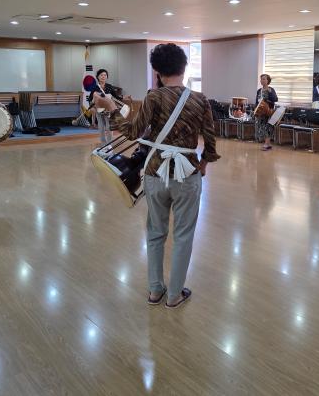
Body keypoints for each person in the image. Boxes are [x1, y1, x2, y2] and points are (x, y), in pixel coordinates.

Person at [98, 43, 220, 308]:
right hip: (187, 174)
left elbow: (132, 132)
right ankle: (175, 294)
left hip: (155, 172)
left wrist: (111, 108)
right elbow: (210, 140)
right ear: (184, 67)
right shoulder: (200, 99)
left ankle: (155, 290)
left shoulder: (153, 97)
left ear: (157, 71)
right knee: (183, 235)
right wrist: (204, 163)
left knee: (155, 232)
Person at [88, 68, 128, 144]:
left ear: (107, 77)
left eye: (105, 75)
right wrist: (92, 107)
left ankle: (109, 144)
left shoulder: (109, 86)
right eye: (101, 75)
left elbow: (116, 96)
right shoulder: (95, 87)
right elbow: (90, 99)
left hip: (108, 109)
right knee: (101, 126)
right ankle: (103, 143)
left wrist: (124, 97)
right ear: (98, 77)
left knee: (109, 126)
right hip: (99, 109)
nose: (103, 76)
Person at [255, 74, 278, 151]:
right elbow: (256, 101)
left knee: (268, 127)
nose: (262, 80)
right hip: (261, 112)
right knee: (262, 127)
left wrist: (270, 92)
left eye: (264, 79)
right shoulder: (259, 90)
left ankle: (266, 144)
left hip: (268, 111)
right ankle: (268, 144)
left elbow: (275, 99)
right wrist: (256, 110)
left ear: (268, 81)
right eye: (261, 79)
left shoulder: (271, 89)